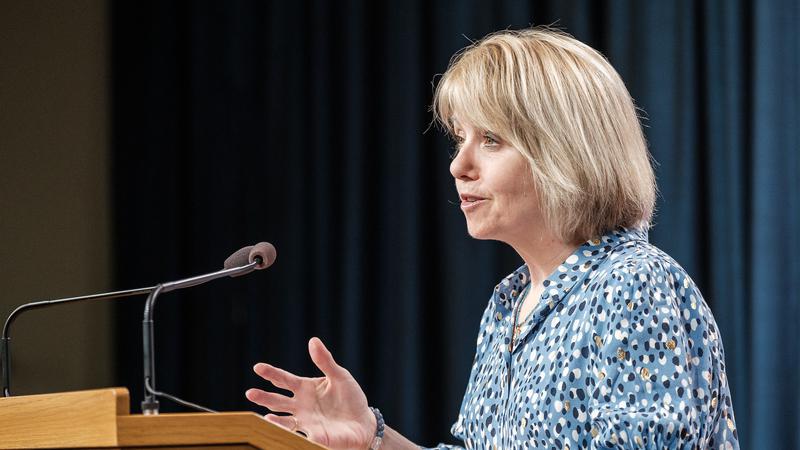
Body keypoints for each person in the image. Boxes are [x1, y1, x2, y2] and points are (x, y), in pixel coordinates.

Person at [245, 28, 740, 450]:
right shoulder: (509, 303)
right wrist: (373, 437)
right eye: (460, 139)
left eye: (491, 140)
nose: (459, 166)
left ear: (565, 152)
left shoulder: (632, 286)